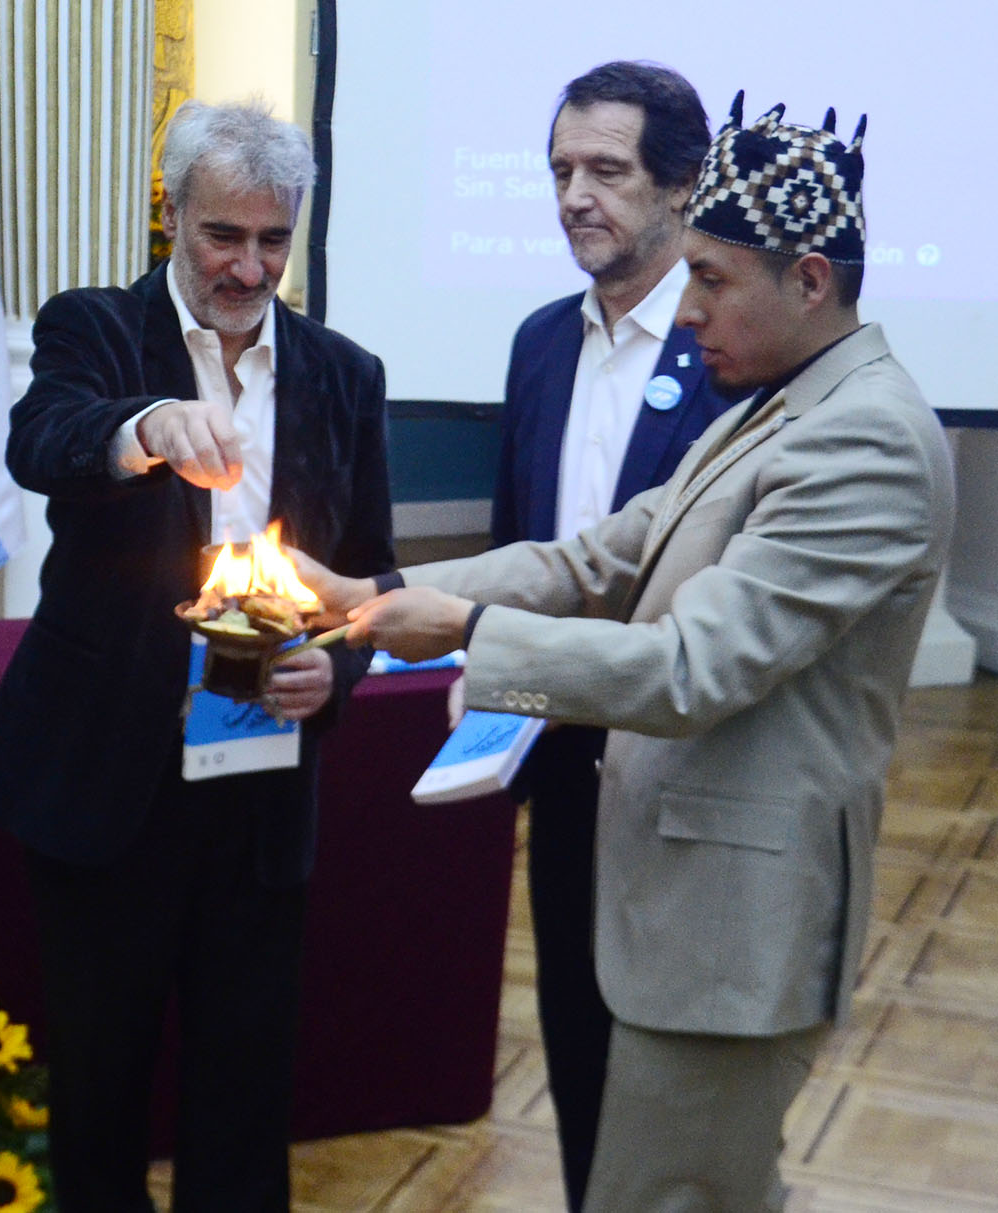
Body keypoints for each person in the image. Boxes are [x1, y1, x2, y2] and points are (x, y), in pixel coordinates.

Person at [305, 95, 953, 1210]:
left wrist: (463, 633)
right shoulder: (775, 407)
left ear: (808, 280)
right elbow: (598, 558)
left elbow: (689, 668)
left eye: (710, 279)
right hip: (677, 899)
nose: (686, 309)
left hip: (732, 925)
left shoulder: (866, 436)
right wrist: (378, 597)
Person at [0, 100, 395, 1212]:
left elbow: (372, 573)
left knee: (244, 1083)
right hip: (111, 774)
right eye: (222, 236)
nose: (249, 268)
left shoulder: (344, 373)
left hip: (261, 784)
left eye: (273, 240)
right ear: (172, 215)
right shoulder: (96, 328)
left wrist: (335, 669)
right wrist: (147, 427)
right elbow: (41, 440)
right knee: (98, 1083)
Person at [493, 60, 734, 1210]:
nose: (573, 197)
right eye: (558, 171)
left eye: (604, 170)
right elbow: (519, 549)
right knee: (577, 1049)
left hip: (684, 773)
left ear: (680, 186)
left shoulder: (733, 358)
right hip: (559, 756)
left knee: (677, 1088)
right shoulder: (537, 343)